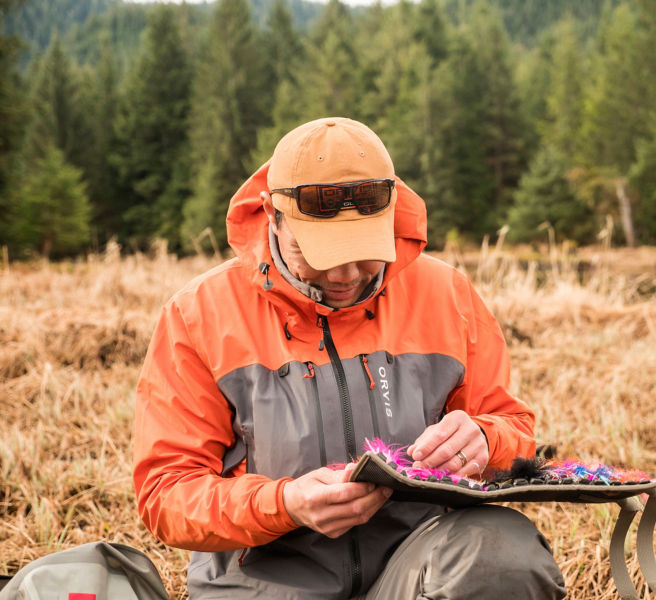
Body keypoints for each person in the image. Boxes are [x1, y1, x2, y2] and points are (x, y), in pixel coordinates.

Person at [133, 117, 566, 599]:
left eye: (364, 250)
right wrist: (284, 504)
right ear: (272, 217)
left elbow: (513, 429)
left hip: (415, 568)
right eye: (318, 251)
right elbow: (165, 494)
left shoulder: (447, 294)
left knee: (504, 555)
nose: (346, 272)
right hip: (264, 583)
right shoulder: (198, 314)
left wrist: (485, 441)